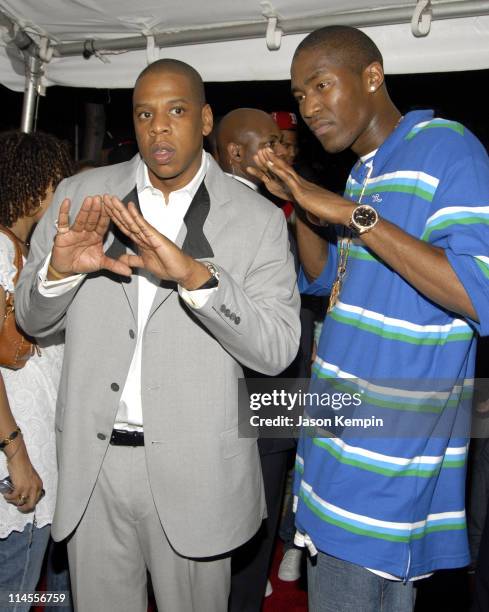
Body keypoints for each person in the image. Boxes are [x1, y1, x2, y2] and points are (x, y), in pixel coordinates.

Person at [15, 59, 300, 612]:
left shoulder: (257, 219)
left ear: (206, 119)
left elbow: (277, 348)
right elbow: (31, 320)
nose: (159, 127)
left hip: (198, 473)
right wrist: (59, 272)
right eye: (145, 114)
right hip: (94, 472)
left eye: (176, 111)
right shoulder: (82, 196)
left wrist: (199, 280)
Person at [250, 25, 489, 612]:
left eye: (321, 85)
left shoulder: (447, 147)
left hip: (383, 466)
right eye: (299, 96)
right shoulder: (364, 172)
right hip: (335, 441)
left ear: (373, 76)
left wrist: (348, 213)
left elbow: (475, 288)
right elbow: (331, 279)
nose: (308, 107)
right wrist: (300, 202)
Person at [216, 107, 295, 608]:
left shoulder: (274, 208)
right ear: (237, 155)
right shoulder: (255, 215)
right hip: (257, 390)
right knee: (251, 520)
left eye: (285, 144)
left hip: (264, 387)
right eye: (272, 143)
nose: (283, 152)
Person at [0, 130, 73, 610]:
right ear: (39, 186)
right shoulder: (1, 250)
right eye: (58, 183)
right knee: (16, 590)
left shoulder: (25, 251)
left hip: (37, 451)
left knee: (33, 580)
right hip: (19, 458)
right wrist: (16, 452)